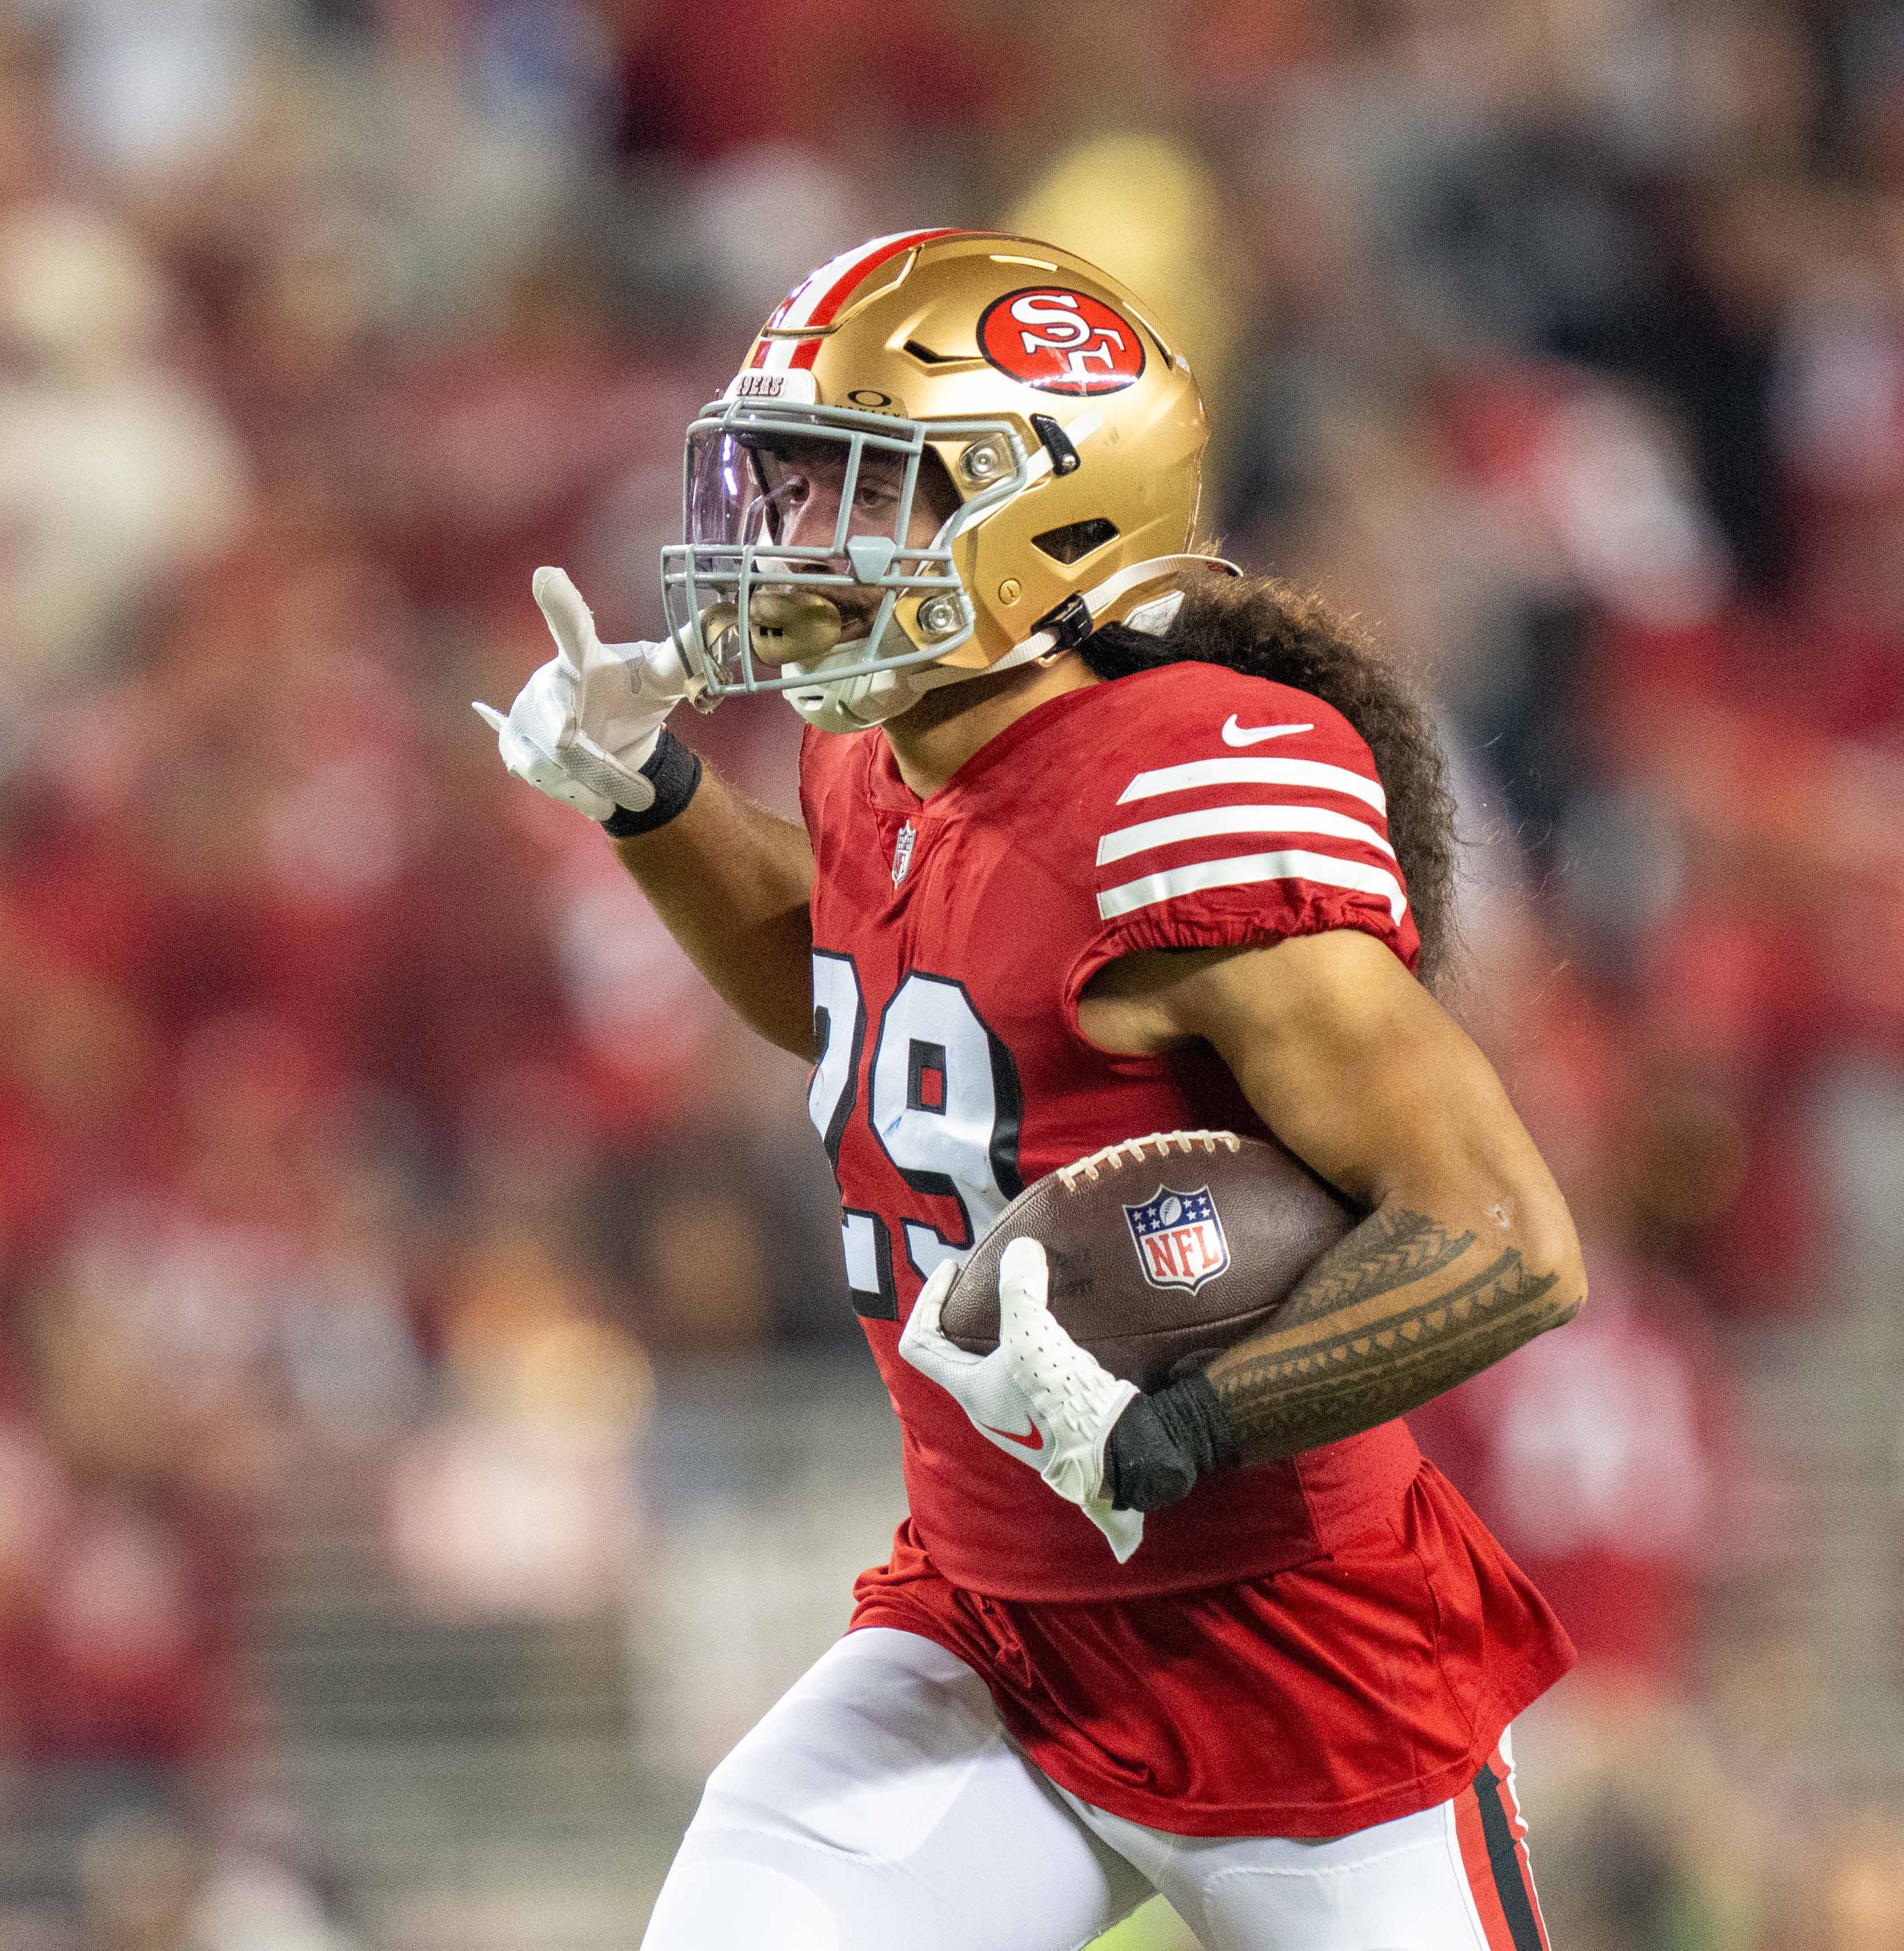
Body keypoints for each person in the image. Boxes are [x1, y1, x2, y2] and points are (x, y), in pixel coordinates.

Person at [479, 230, 1585, 1950]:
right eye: (787, 484)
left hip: (1297, 1659)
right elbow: (846, 985)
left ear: (1053, 521)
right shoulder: (875, 743)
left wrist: (1181, 1425)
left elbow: (1504, 1237)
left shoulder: (1167, 794)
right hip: (991, 1623)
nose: (797, 544)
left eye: (864, 493)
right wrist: (650, 791)